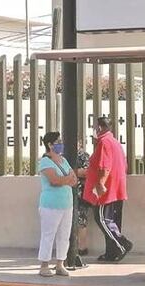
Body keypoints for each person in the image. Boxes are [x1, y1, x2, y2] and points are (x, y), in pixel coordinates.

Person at [84, 116, 132, 262]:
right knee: (112, 221)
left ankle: (122, 244)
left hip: (106, 190)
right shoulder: (115, 142)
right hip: (117, 189)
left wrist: (100, 184)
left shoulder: (104, 142)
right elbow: (125, 166)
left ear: (99, 128)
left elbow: (105, 167)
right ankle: (111, 252)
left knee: (102, 219)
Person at [37, 131, 78, 277]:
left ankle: (60, 263)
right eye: (57, 142)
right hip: (50, 205)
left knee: (64, 235)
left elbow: (74, 179)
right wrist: (66, 179)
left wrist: (65, 179)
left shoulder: (63, 160)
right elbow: (54, 181)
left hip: (66, 204)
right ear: (49, 145)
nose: (61, 144)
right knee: (48, 234)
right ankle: (44, 265)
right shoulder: (45, 161)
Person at [73, 138, 92, 256]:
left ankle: (82, 248)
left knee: (81, 220)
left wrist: (71, 172)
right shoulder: (64, 156)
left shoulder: (84, 156)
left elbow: (87, 171)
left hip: (80, 194)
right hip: (69, 193)